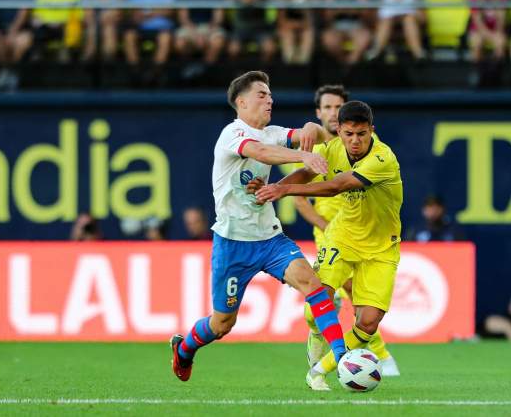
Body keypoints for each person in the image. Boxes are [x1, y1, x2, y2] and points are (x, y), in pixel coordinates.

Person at [169, 71, 347, 383]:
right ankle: (184, 348)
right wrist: (303, 154)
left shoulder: (274, 132)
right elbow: (262, 153)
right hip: (233, 243)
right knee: (222, 323)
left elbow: (317, 134)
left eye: (270, 95)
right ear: (241, 102)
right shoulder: (232, 135)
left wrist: (310, 128)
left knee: (313, 286)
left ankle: (342, 359)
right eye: (262, 95)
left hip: (270, 239)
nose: (270, 99)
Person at [256, 100, 403, 390]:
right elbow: (306, 173)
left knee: (368, 323)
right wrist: (276, 184)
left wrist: (284, 190)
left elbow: (337, 186)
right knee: (317, 303)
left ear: (372, 131)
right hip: (342, 238)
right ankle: (316, 338)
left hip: (381, 248)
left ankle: (320, 370)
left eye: (362, 134)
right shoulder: (331, 149)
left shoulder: (383, 159)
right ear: (339, 130)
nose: (355, 141)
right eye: (349, 134)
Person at [293, 85, 401, 377]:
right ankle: (352, 354)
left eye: (335, 107)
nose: (330, 112)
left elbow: (339, 185)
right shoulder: (318, 146)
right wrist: (323, 224)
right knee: (323, 300)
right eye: (326, 108)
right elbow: (302, 192)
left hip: (372, 236)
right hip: (334, 233)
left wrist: (282, 188)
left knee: (363, 310)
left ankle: (354, 357)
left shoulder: (375, 154)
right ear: (322, 115)